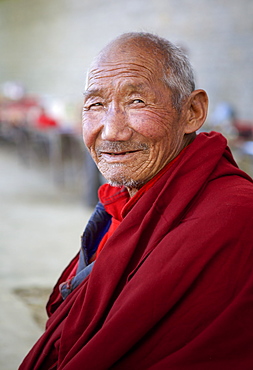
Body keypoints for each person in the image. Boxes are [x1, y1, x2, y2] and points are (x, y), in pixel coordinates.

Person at [19, 32, 253, 370]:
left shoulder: (235, 219)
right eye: (96, 105)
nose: (112, 131)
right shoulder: (119, 203)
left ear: (192, 111)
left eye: (137, 102)